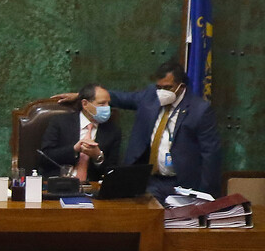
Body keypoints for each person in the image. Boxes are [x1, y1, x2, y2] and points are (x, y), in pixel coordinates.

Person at [113, 59, 221, 198]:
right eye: (159, 87)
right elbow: (123, 98)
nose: (161, 92)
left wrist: (205, 192)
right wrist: (82, 96)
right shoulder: (151, 96)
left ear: (181, 87)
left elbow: (211, 154)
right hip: (149, 180)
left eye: (167, 87)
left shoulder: (199, 110)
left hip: (181, 183)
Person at [38, 84, 122, 181]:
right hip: (59, 184)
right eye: (102, 104)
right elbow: (44, 158)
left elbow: (113, 171)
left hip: (92, 188)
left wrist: (98, 157)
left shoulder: (112, 131)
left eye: (108, 104)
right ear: (85, 104)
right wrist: (74, 149)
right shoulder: (60, 122)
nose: (108, 108)